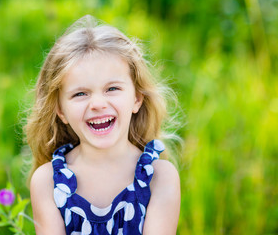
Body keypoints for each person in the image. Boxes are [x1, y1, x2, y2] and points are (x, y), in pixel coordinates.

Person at [26, 15, 181, 235]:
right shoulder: (47, 182)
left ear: (137, 98)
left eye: (112, 89)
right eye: (80, 93)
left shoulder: (159, 178)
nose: (98, 104)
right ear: (60, 110)